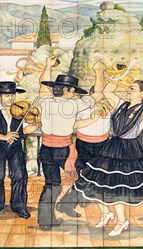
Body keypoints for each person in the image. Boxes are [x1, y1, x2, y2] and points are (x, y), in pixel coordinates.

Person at [74, 64, 143, 237]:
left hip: (129, 151)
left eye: (132, 88)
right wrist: (118, 73)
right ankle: (106, 214)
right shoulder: (121, 105)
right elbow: (108, 92)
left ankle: (121, 221)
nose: (128, 90)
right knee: (96, 183)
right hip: (112, 147)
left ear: (142, 93)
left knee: (118, 188)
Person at [37, 56, 105, 231]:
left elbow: (43, 85)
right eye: (73, 90)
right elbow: (97, 94)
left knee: (51, 185)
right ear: (67, 90)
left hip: (45, 149)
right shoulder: (72, 105)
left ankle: (45, 221)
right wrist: (98, 72)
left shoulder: (45, 101)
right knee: (88, 174)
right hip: (63, 151)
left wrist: (48, 66)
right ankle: (72, 202)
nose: (74, 93)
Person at [0, 81, 41, 219]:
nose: (11, 99)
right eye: (7, 96)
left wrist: (37, 123)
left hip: (15, 147)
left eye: (13, 95)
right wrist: (3, 136)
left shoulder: (19, 110)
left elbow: (24, 130)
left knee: (19, 176)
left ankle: (19, 206)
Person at [55, 89, 113, 218]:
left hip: (102, 145)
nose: (101, 98)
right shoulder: (81, 106)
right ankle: (71, 202)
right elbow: (73, 124)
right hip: (84, 144)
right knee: (84, 175)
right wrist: (92, 117)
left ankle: (72, 202)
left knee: (96, 177)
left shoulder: (110, 106)